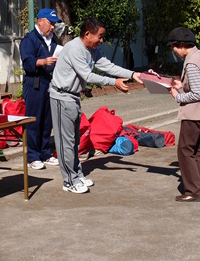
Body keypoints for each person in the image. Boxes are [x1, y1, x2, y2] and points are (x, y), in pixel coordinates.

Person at [49, 17, 143, 194]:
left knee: (74, 140)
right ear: (87, 34)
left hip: (73, 97)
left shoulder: (92, 49)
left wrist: (133, 74)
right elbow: (88, 75)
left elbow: (108, 66)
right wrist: (113, 82)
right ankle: (69, 181)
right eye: (99, 36)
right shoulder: (74, 49)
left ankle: (76, 174)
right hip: (61, 97)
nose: (101, 40)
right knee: (65, 142)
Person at [167, 27, 200, 202]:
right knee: (194, 150)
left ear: (181, 45)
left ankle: (193, 192)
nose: (173, 50)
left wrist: (177, 95)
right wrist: (182, 83)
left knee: (185, 151)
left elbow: (197, 94)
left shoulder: (191, 63)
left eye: (173, 46)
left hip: (194, 112)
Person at [20, 8, 62, 170]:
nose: (52, 27)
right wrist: (43, 62)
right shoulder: (29, 40)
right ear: (40, 21)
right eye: (50, 23)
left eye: (54, 24)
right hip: (35, 83)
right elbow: (27, 62)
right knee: (34, 120)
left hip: (49, 83)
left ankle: (45, 153)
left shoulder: (53, 40)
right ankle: (32, 155)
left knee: (47, 120)